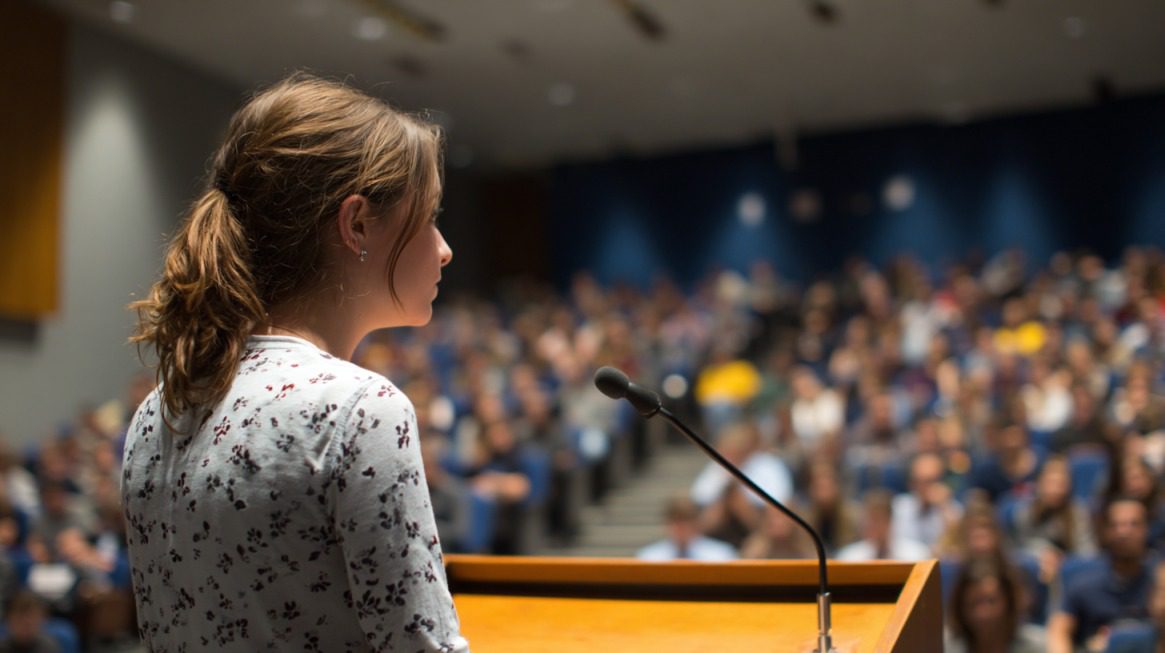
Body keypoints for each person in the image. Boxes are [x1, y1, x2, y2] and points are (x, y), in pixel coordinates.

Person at [122, 74, 467, 651]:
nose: (445, 247)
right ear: (357, 224)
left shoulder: (157, 411)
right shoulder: (360, 411)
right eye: (427, 216)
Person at [1047, 497, 1155, 653]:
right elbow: (1059, 630)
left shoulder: (1159, 582)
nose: (1124, 532)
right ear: (1105, 532)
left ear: (1147, 529)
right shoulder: (1083, 582)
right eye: (1116, 525)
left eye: (1133, 524)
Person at [944, 558, 1046, 653]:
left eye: (991, 602)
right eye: (973, 603)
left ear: (1009, 602)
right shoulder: (945, 648)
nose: (983, 613)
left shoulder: (1036, 647)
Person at [637, 495, 737, 562]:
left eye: (685, 520)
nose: (680, 527)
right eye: (675, 521)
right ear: (666, 523)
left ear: (696, 522)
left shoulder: (721, 555)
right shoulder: (648, 557)